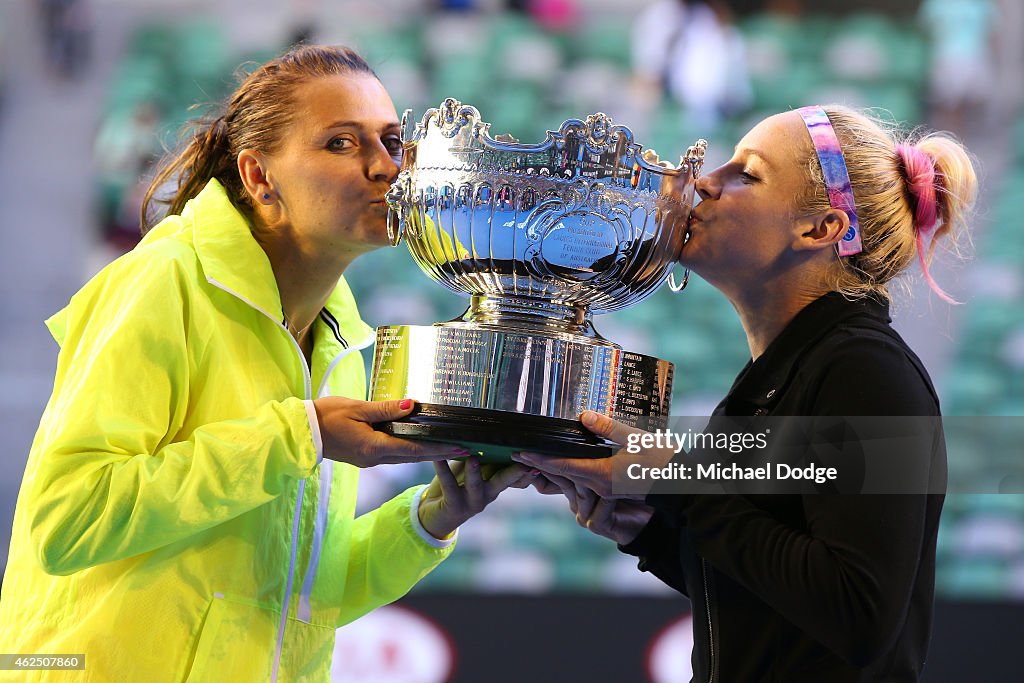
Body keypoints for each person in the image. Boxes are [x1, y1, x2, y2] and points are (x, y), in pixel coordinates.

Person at [0, 44, 534, 681]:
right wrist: (301, 435)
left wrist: (430, 519)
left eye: (394, 141)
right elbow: (70, 520)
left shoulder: (341, 338)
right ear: (259, 177)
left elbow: (295, 601)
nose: (385, 167)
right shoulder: (162, 281)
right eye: (342, 143)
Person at [515, 104, 978, 681]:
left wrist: (675, 484)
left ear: (819, 229)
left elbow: (860, 614)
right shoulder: (776, 375)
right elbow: (778, 604)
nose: (706, 183)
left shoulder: (868, 370)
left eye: (747, 173)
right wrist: (651, 532)